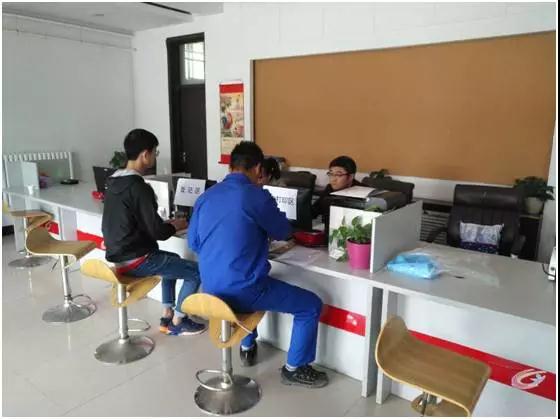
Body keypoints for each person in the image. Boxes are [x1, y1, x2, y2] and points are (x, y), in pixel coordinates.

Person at [188, 141, 329, 388]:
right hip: (243, 290)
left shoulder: (206, 196)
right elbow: (283, 231)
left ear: (230, 166)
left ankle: (247, 346)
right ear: (257, 169)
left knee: (247, 284)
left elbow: (194, 243)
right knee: (310, 305)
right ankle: (295, 368)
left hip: (210, 290)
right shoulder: (256, 195)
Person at [102, 128, 206, 336]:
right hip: (137, 259)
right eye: (154, 152)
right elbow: (159, 233)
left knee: (173, 260)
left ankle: (167, 314)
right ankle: (179, 320)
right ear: (145, 154)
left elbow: (132, 220)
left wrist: (163, 223)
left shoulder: (113, 182)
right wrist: (176, 225)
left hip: (118, 257)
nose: (154, 157)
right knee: (198, 272)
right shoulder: (138, 187)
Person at [311, 155, 363, 226]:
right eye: (331, 174)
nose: (333, 179)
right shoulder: (329, 189)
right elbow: (314, 210)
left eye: (338, 175)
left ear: (351, 177)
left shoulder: (363, 192)